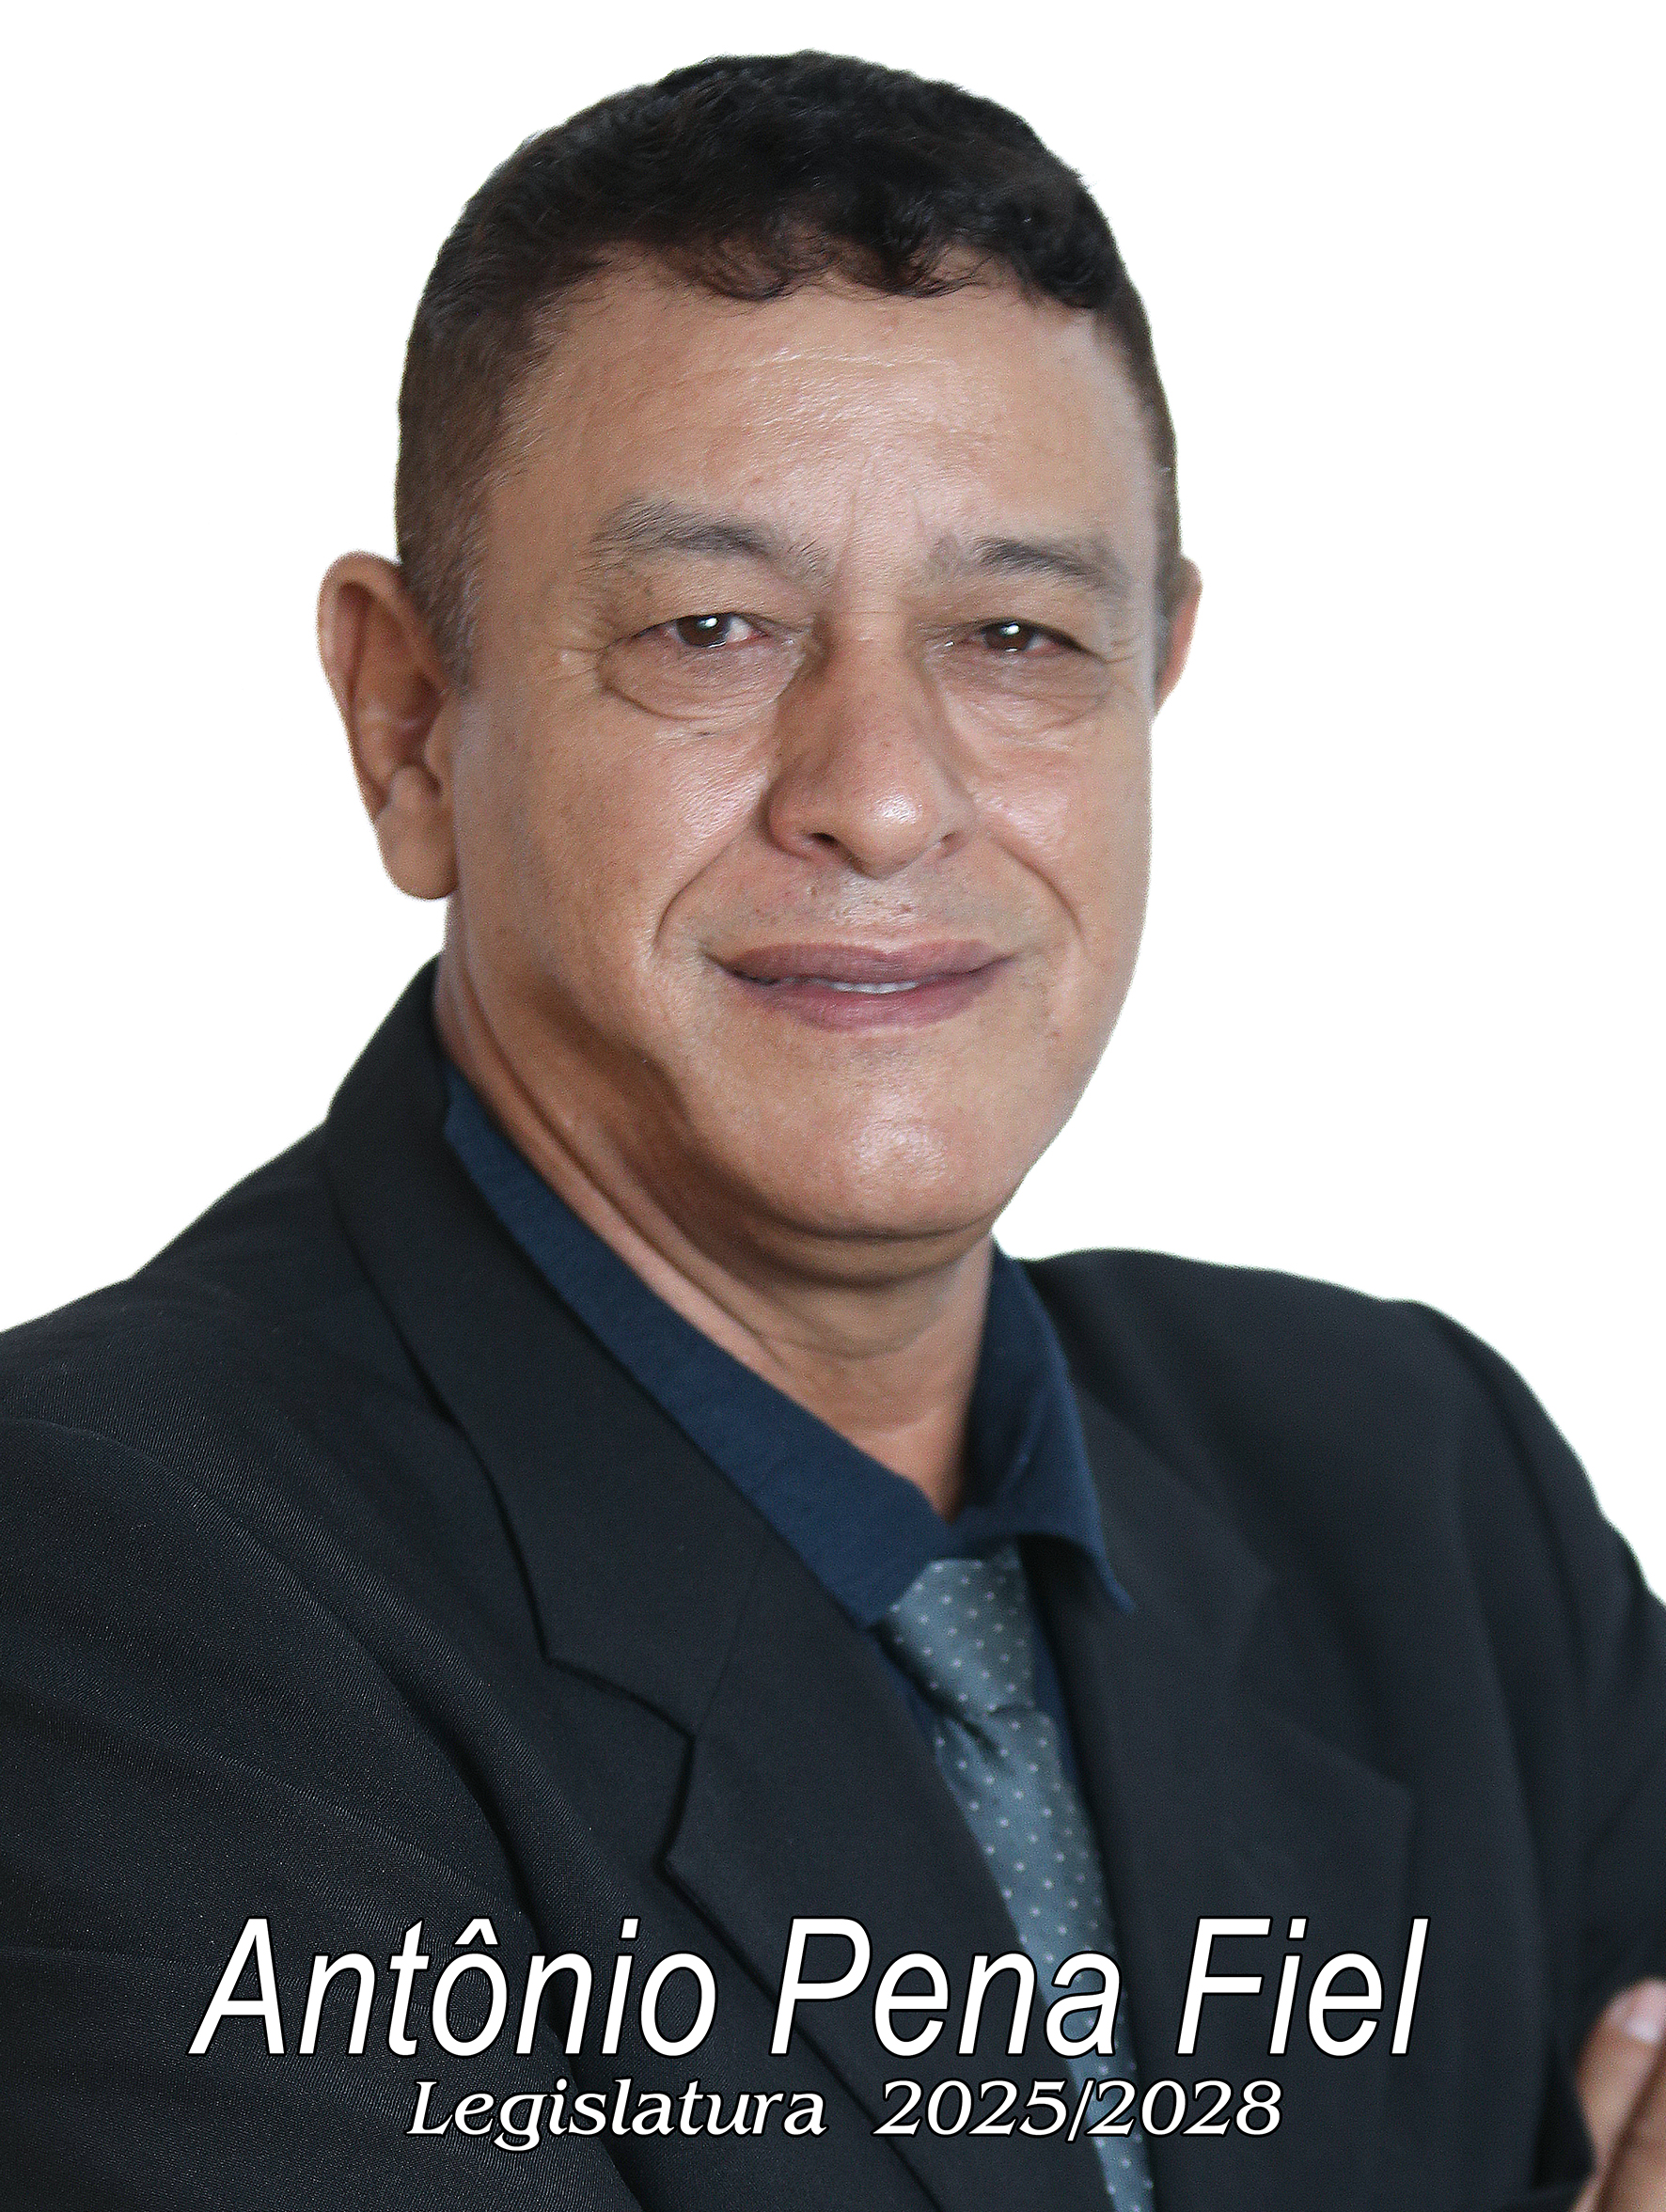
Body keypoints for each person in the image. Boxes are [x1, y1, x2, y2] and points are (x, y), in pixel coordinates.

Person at [2, 50, 1661, 2212]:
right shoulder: (100, 1591)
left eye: (1014, 635)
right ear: (408, 723)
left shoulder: (1421, 1489)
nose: (881, 792)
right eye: (711, 630)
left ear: (1153, 679)